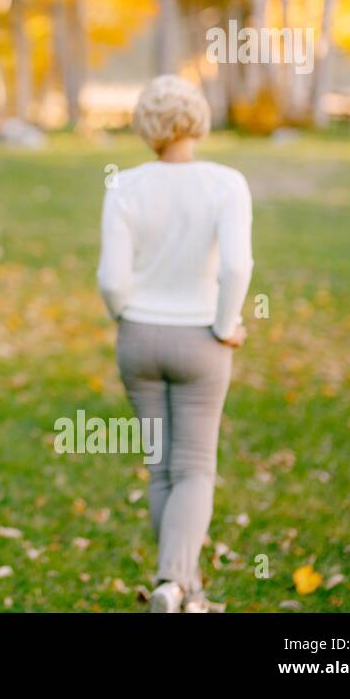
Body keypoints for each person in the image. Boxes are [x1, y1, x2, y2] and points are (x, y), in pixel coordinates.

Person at [96, 75, 253, 613]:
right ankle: (175, 583)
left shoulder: (125, 186)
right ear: (198, 120)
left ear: (146, 127)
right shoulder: (226, 183)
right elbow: (236, 265)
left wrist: (126, 317)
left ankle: (183, 590)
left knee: (162, 468)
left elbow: (112, 281)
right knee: (194, 468)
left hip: (138, 338)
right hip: (201, 340)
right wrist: (226, 322)